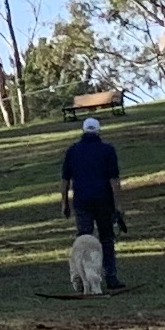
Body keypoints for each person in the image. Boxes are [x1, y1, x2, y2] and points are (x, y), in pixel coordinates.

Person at [59, 112, 126, 290]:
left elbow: (65, 180)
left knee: (84, 238)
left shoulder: (72, 151)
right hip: (104, 201)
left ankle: (81, 278)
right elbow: (114, 180)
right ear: (98, 131)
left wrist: (64, 203)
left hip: (81, 201)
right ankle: (110, 276)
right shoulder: (107, 150)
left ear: (83, 131)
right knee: (106, 238)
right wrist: (118, 205)